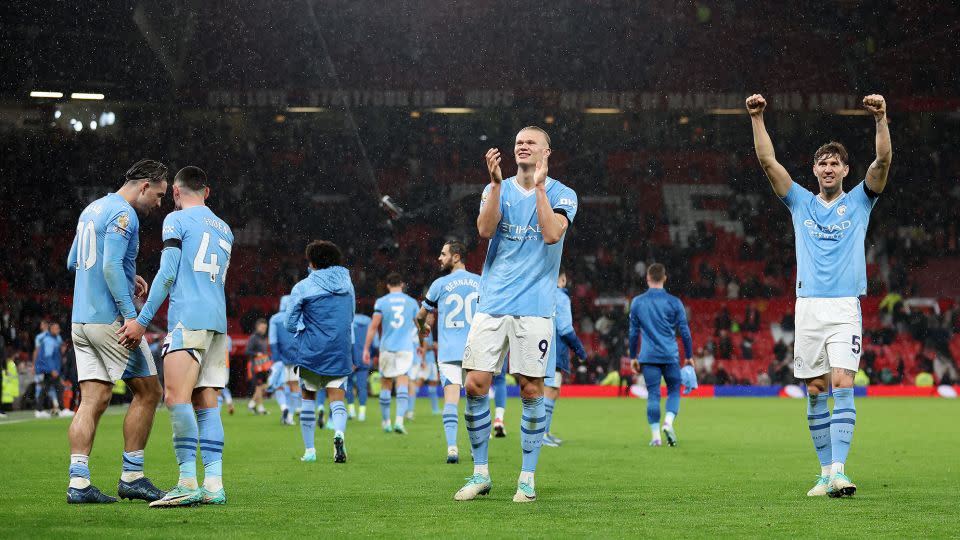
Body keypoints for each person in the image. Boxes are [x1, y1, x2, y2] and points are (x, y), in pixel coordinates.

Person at [747, 93, 892, 498]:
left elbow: (882, 163)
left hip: (845, 305)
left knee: (843, 380)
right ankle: (825, 472)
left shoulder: (861, 201)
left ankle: (841, 470)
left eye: (835, 163)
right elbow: (767, 162)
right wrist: (757, 117)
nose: (828, 168)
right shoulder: (799, 202)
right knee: (814, 388)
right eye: (822, 163)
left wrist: (881, 119)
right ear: (814, 170)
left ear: (846, 170)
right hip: (808, 306)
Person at [455, 126, 578, 503]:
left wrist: (539, 188)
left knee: (529, 389)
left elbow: (552, 233)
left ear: (546, 153)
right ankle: (480, 473)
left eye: (530, 143)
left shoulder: (563, 193)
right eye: (518, 143)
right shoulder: (497, 188)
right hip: (492, 301)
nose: (522, 147)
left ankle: (527, 477)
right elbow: (484, 229)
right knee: (475, 384)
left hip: (537, 307)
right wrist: (494, 186)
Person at [120, 165, 234, 507]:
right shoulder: (225, 229)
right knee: (206, 402)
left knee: (176, 397)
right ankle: (214, 484)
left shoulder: (177, 220)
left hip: (189, 318)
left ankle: (186, 481)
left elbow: (168, 274)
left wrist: (142, 319)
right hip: (218, 321)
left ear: (176, 193)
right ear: (208, 192)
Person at [65, 158, 168, 504]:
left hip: (81, 319)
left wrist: (128, 274)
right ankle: (132, 476)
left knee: (94, 399)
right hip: (109, 319)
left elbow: (73, 262)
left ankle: (78, 483)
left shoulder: (91, 209)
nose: (159, 202)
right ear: (143, 186)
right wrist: (130, 316)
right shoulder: (125, 214)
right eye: (158, 194)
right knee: (150, 392)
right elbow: (109, 265)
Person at [285, 240, 355, 464]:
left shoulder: (303, 287)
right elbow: (350, 315)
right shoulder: (348, 283)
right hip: (339, 349)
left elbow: (289, 322)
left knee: (308, 397)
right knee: (337, 398)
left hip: (312, 350)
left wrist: (303, 330)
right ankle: (338, 435)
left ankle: (310, 451)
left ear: (313, 262)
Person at [415, 239, 481, 464]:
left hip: (449, 352)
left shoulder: (439, 284)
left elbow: (420, 316)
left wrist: (422, 329)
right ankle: (476, 450)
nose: (439, 258)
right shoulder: (481, 282)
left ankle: (452, 448)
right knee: (475, 404)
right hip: (475, 351)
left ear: (456, 257)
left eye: (443, 254)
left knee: (451, 401)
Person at [628, 263, 693, 447]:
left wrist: (633, 356)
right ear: (665, 278)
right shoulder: (674, 302)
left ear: (647, 278)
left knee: (654, 395)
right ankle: (668, 423)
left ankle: (656, 437)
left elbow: (633, 333)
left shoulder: (638, 302)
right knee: (674, 391)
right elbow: (685, 332)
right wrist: (689, 356)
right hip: (670, 355)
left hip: (648, 357)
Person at [362, 272, 419, 434]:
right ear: (402, 284)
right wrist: (421, 343)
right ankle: (399, 421)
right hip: (405, 348)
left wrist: (366, 348)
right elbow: (419, 325)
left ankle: (386, 422)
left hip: (387, 347)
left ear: (387, 285)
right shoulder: (411, 302)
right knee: (402, 382)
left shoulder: (381, 302)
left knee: (386, 384)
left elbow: (373, 326)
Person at [543, 269, 587, 447]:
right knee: (550, 390)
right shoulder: (561, 296)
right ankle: (541, 434)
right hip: (555, 349)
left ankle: (544, 432)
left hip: (540, 347)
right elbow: (565, 328)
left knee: (549, 389)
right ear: (562, 279)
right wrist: (580, 350)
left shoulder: (542, 293)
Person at [269, 295, 299, 425]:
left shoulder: (274, 319)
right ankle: (291, 416)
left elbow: (273, 341)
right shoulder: (298, 317)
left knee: (279, 385)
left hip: (280, 358)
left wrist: (276, 359)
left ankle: (284, 408)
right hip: (296, 357)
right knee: (295, 386)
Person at [346, 313, 376, 421]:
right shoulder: (370, 323)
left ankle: (351, 411)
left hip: (350, 360)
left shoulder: (349, 321)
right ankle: (362, 413)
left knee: (349, 385)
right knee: (362, 387)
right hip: (365, 359)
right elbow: (375, 344)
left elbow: (347, 341)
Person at [34, 322, 63, 417]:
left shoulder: (57, 338)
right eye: (55, 328)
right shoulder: (48, 340)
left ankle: (39, 409)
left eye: (58, 328)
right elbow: (48, 357)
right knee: (58, 387)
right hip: (50, 369)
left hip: (52, 368)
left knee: (45, 388)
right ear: (51, 330)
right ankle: (62, 409)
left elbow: (59, 351)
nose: (58, 330)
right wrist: (52, 370)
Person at [245, 319, 270, 415]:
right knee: (259, 386)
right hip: (255, 366)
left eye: (265, 328)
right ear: (257, 327)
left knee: (263, 386)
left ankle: (251, 404)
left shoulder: (263, 338)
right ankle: (260, 408)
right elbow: (247, 351)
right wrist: (257, 354)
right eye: (262, 327)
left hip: (264, 366)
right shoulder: (253, 338)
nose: (264, 329)